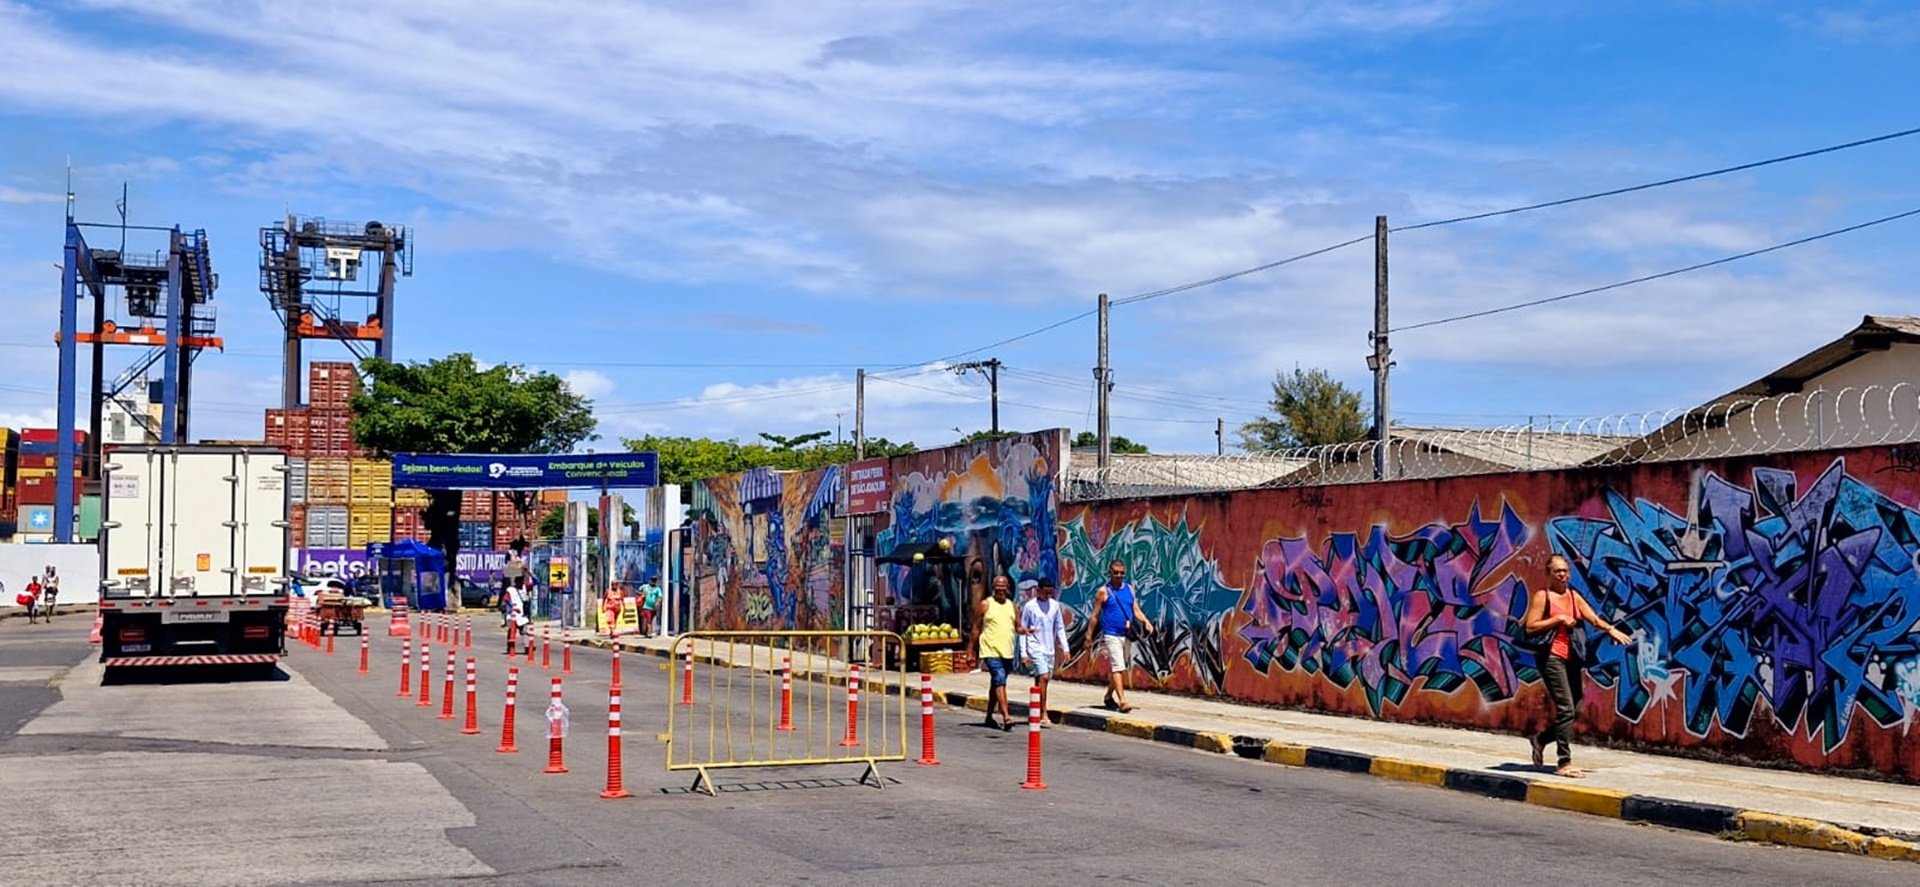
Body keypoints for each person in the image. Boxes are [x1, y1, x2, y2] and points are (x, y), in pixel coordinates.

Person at [1523, 554, 1632, 778]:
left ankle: (1540, 740)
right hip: (1551, 658)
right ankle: (1564, 762)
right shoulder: (1543, 597)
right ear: (1548, 574)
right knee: (1565, 709)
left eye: (1565, 571)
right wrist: (1559, 619)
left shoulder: (1573, 596)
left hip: (1571, 658)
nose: (1563, 575)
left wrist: (1610, 629)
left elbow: (1592, 618)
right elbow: (1530, 627)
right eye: (1558, 571)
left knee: (1576, 710)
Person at [1089, 560, 1153, 713]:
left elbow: (1136, 609)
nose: (1118, 576)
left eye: (1121, 573)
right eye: (1115, 572)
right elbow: (1095, 616)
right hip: (1111, 634)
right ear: (1110, 573)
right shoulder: (1103, 591)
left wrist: (1146, 622)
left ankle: (1108, 696)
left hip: (1127, 634)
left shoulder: (1129, 589)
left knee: (1121, 667)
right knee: (1118, 666)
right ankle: (1123, 701)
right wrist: (1088, 635)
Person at [1017, 577, 1070, 727]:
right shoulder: (1029, 606)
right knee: (1044, 677)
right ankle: (1043, 713)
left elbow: (1059, 627)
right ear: (1038, 590)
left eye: (1049, 593)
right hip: (1035, 647)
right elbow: (1023, 630)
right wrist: (1024, 653)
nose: (1047, 595)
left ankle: (1034, 711)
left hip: (1049, 649)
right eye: (1044, 592)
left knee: (1040, 680)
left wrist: (1065, 648)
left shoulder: (1054, 606)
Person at [969, 575, 1019, 730]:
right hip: (990, 650)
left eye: (1003, 587)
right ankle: (1006, 717)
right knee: (1000, 680)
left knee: (996, 684)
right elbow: (976, 628)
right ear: (993, 587)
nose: (1001, 590)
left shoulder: (1012, 606)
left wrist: (1026, 631)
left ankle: (989, 716)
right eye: (998, 586)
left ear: (1007, 588)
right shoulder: (985, 605)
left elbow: (1018, 627)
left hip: (1007, 651)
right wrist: (970, 650)